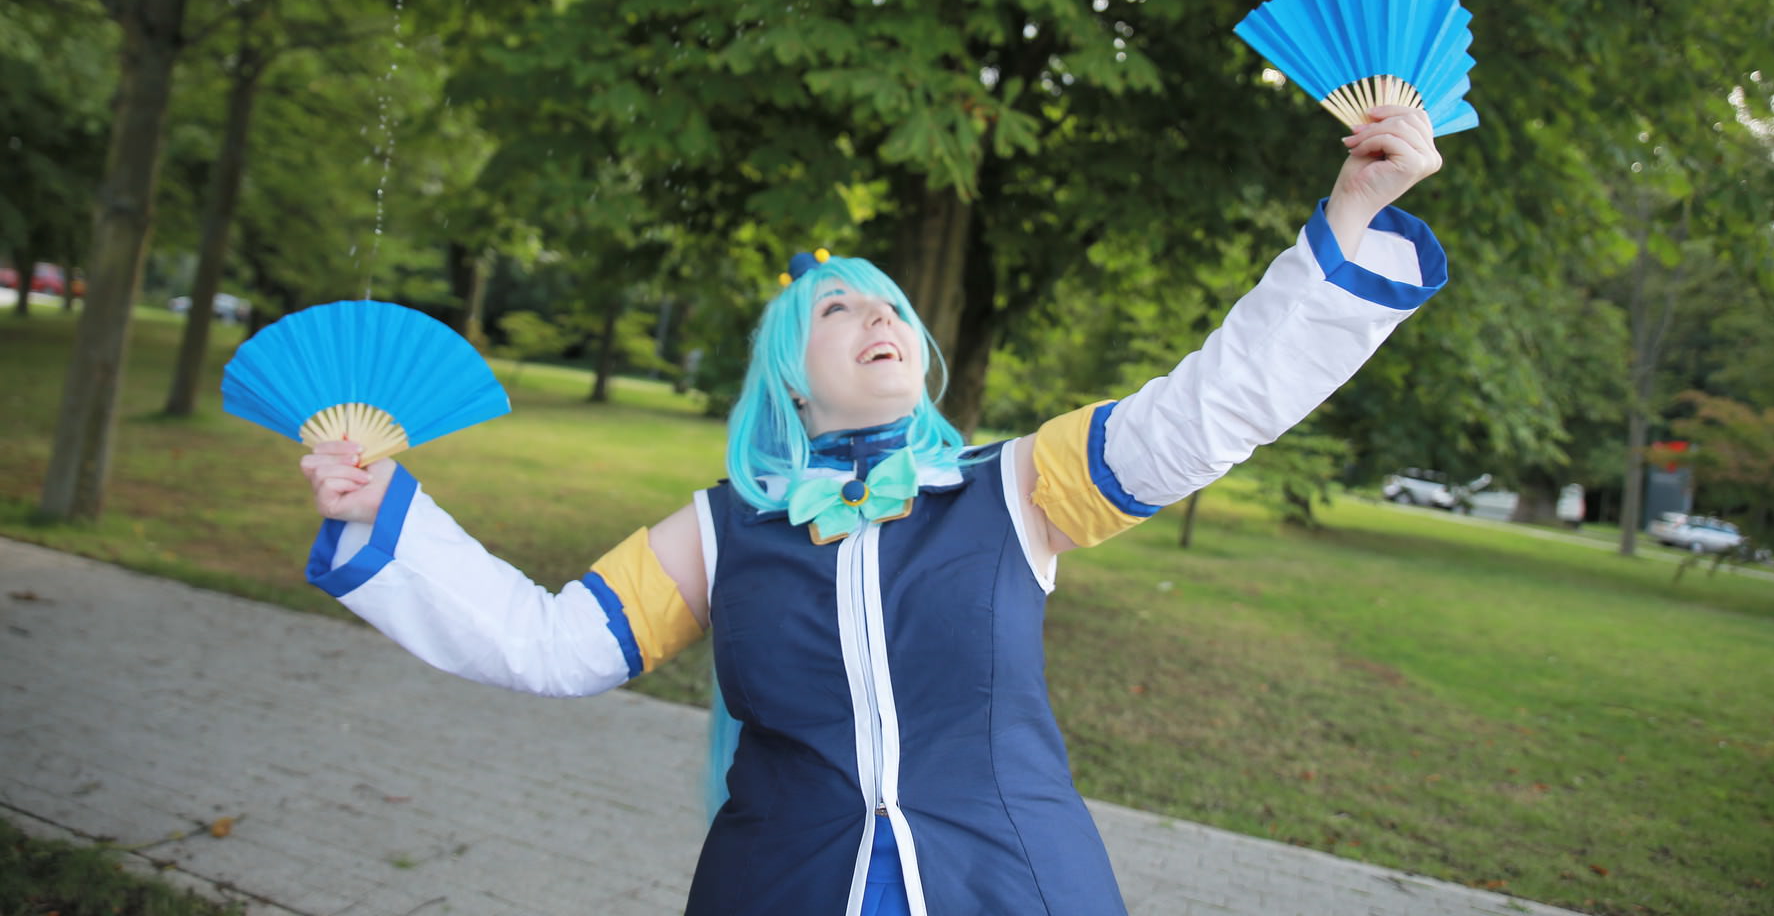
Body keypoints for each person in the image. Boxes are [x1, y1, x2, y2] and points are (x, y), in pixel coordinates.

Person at [301, 106, 1445, 916]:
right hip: (779, 890)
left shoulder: (1016, 485)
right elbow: (546, 644)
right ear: (790, 380)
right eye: (838, 309)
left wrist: (1350, 214)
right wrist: (382, 511)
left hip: (1014, 887)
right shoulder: (719, 529)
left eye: (889, 304)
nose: (877, 316)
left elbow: (1213, 406)